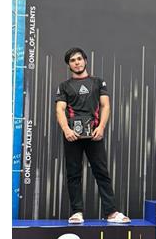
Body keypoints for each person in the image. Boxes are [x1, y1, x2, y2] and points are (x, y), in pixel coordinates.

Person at [55, 47, 129, 224]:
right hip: (72, 136)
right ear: (69, 65)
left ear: (85, 60)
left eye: (79, 59)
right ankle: (77, 212)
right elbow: (60, 109)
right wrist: (66, 130)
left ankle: (111, 213)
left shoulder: (98, 82)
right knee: (73, 174)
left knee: (101, 172)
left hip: (95, 135)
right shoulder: (64, 86)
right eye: (72, 60)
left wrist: (101, 127)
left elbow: (105, 106)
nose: (77, 63)